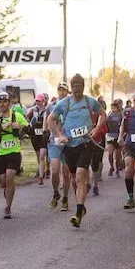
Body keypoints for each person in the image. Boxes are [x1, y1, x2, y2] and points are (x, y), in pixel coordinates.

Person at [48, 74, 106, 227]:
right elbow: (50, 119)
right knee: (74, 179)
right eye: (74, 87)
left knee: (80, 177)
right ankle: (81, 206)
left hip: (85, 144)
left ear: (83, 86)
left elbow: (102, 114)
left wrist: (97, 129)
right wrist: (59, 135)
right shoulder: (64, 103)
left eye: (79, 87)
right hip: (69, 146)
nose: (76, 90)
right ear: (71, 88)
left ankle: (78, 213)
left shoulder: (89, 101)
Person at [0, 91, 29, 218]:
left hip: (13, 151)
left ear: (9, 103)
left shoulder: (17, 115)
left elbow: (29, 129)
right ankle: (7, 190)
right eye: (0, 102)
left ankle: (7, 207)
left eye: (5, 102)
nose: (2, 104)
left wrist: (20, 126)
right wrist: (3, 126)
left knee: (9, 178)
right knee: (3, 182)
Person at [46, 82, 72, 211]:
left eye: (64, 90)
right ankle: (56, 192)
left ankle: (65, 198)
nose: (61, 92)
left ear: (67, 92)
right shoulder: (51, 106)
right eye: (59, 90)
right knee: (55, 170)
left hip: (67, 142)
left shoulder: (71, 105)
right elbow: (47, 120)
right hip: (54, 141)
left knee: (66, 173)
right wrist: (46, 133)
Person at [26, 94, 49, 184]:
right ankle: (41, 171)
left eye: (40, 101)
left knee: (42, 155)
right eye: (37, 101)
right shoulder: (32, 111)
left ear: (43, 101)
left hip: (43, 135)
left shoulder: (47, 111)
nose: (38, 103)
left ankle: (42, 174)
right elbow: (27, 118)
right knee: (38, 155)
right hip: (35, 135)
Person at [105, 101, 124, 178]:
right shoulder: (109, 115)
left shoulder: (121, 116)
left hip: (118, 137)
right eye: (112, 108)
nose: (113, 109)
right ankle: (111, 167)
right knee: (110, 153)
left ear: (117, 108)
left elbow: (123, 126)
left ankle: (117, 170)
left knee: (118, 155)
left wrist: (122, 136)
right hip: (110, 136)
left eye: (114, 108)